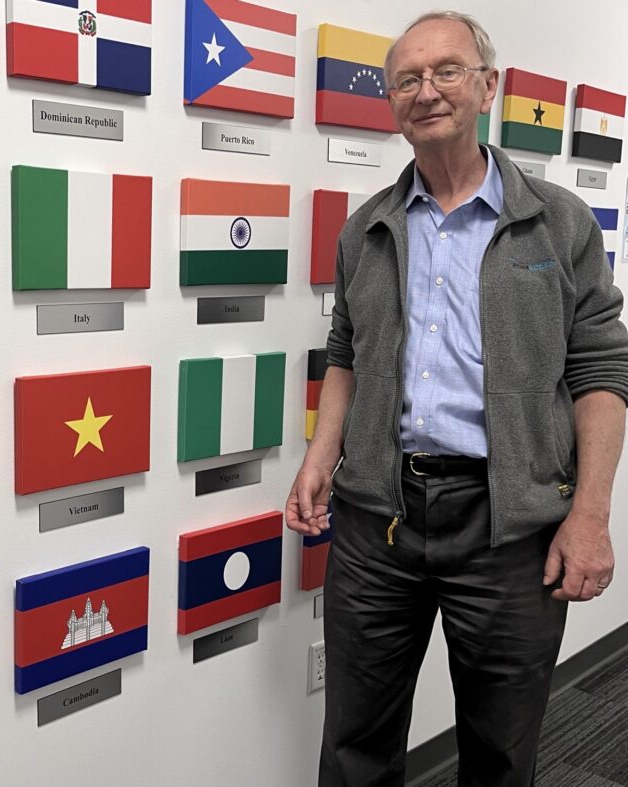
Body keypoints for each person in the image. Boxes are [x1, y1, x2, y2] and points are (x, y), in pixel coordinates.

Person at [286, 10, 628, 787]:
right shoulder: (365, 229)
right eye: (406, 78)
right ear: (391, 101)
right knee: (354, 744)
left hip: (510, 527)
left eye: (446, 71)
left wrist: (591, 514)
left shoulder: (558, 223)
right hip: (382, 520)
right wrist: (320, 453)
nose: (426, 90)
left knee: (502, 750)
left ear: (487, 87)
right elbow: (347, 354)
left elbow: (602, 370)